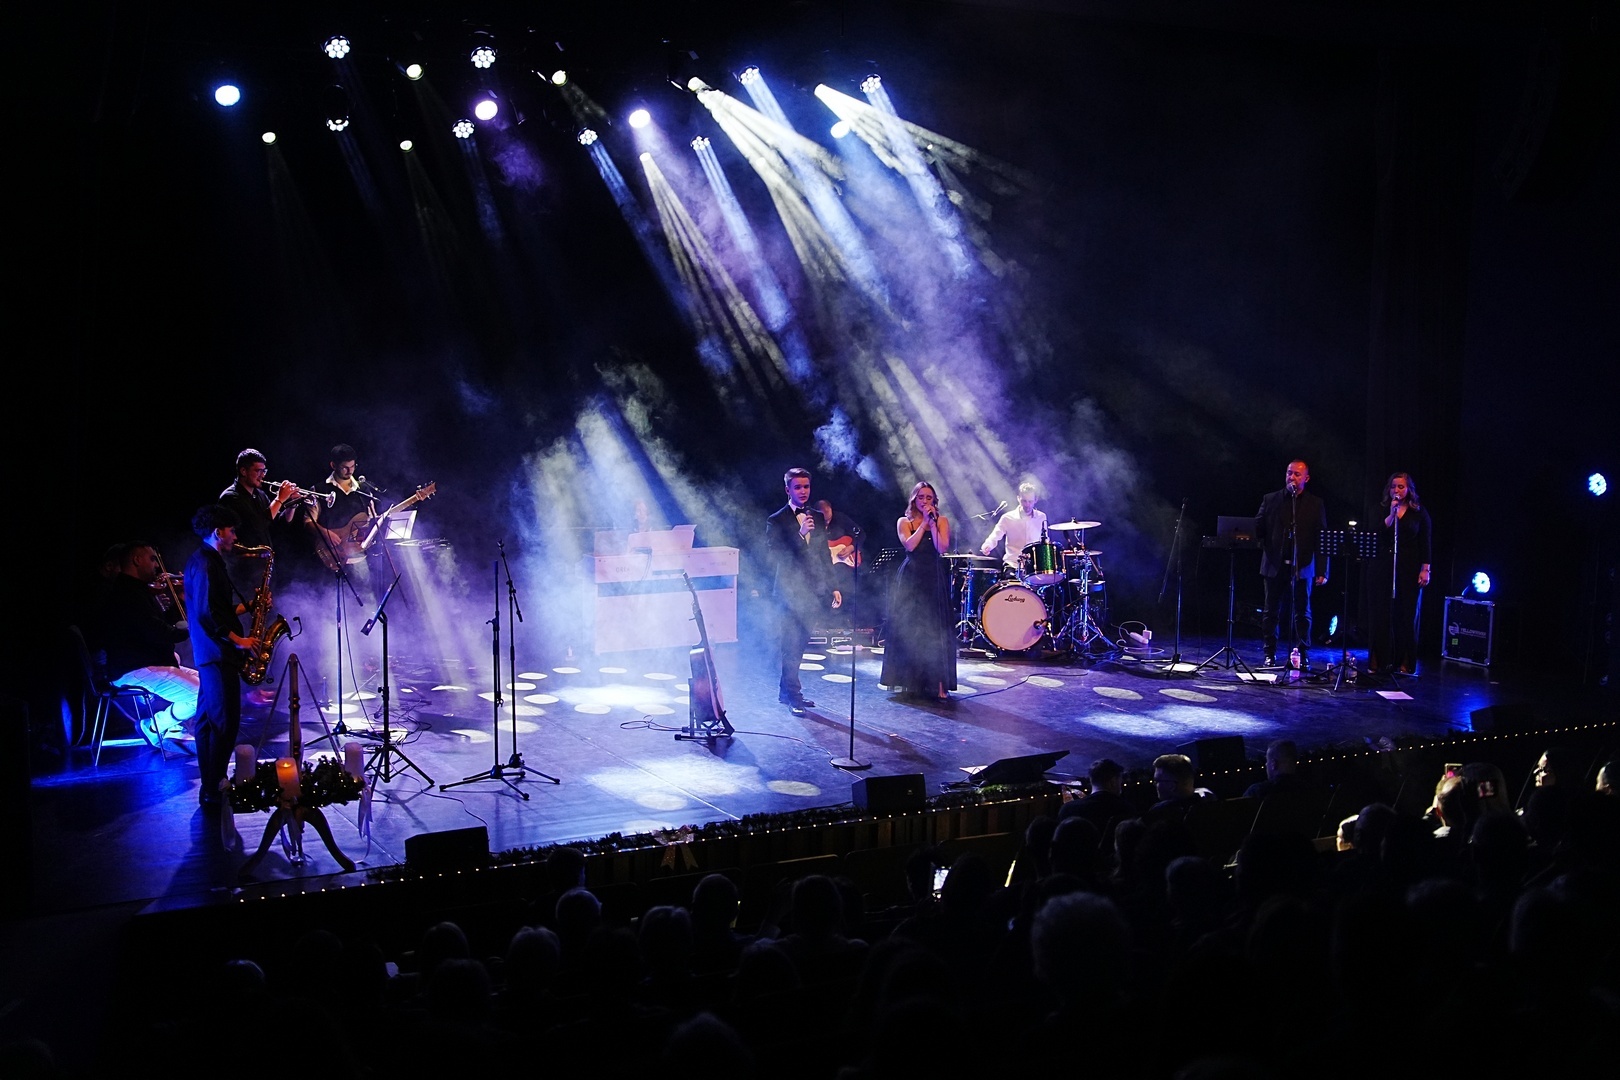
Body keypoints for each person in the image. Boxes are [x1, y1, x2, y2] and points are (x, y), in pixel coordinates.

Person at [185, 504, 259, 809]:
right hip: (217, 654)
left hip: (211, 653)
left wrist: (249, 606)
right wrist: (239, 640)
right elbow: (207, 614)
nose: (235, 537)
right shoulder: (206, 563)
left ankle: (211, 787)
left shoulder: (206, 560)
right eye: (232, 531)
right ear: (219, 532)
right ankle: (214, 787)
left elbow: (218, 609)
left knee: (208, 723)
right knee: (224, 724)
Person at [98, 542, 199, 746]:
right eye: (152, 559)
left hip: (148, 664)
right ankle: (154, 726)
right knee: (200, 694)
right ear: (137, 560)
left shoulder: (138, 591)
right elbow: (160, 632)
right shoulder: (127, 594)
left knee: (209, 685)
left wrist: (180, 597)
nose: (157, 566)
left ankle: (171, 727)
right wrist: (193, 629)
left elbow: (163, 624)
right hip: (134, 669)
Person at [763, 468, 842, 715]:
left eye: (806, 486)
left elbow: (823, 554)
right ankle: (793, 695)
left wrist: (834, 586)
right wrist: (800, 534)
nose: (803, 491)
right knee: (791, 643)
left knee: (800, 644)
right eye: (798, 487)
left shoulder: (816, 516)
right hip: (789, 590)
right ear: (788, 489)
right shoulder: (776, 519)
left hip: (813, 589)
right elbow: (776, 553)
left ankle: (786, 692)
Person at [880, 482, 957, 701]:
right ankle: (908, 680)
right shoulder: (904, 522)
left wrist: (932, 524)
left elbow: (942, 547)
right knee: (910, 626)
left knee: (936, 627)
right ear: (914, 500)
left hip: (934, 576)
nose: (925, 501)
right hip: (911, 577)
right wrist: (923, 524)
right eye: (921, 497)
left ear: (934, 501)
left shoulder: (941, 521)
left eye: (929, 498)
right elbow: (910, 546)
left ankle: (939, 683)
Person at [1255, 459, 1328, 667]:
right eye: (1289, 473)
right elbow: (1259, 528)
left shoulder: (1315, 504)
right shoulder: (1271, 499)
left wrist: (1322, 569)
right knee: (1271, 611)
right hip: (1275, 563)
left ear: (1306, 478)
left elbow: (1322, 538)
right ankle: (1269, 653)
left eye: (1297, 474)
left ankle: (1302, 653)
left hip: (1303, 565)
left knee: (1303, 612)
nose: (1292, 477)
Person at [1367, 471, 1432, 675]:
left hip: (1409, 568)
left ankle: (1405, 661)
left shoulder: (1419, 512)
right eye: (1394, 486)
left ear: (1409, 489)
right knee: (1381, 613)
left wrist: (1425, 568)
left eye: (1401, 487)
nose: (1396, 490)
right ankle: (1380, 659)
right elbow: (1375, 532)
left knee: (1407, 614)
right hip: (1383, 567)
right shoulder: (1381, 509)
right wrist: (1391, 515)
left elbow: (1425, 541)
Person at [310, 443, 380, 567]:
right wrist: (326, 534)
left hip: (358, 556)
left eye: (352, 466)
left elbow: (372, 518)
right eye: (345, 467)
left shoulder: (363, 489)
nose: (350, 471)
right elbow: (308, 521)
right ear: (333, 465)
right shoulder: (319, 489)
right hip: (331, 553)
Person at [980, 481, 1047, 572]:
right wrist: (988, 545)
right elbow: (995, 535)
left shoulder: (1041, 517)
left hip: (1034, 566)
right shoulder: (1007, 518)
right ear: (1018, 498)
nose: (1027, 505)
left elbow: (1045, 540)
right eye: (1024, 501)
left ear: (1036, 500)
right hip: (1013, 564)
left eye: (1030, 501)